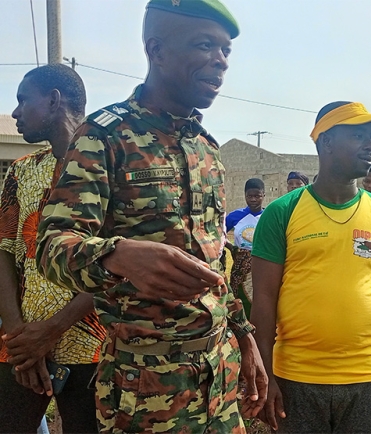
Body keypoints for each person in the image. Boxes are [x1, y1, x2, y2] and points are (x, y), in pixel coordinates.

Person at [35, 2, 267, 432]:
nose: (220, 60)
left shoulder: (207, 150)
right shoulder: (105, 136)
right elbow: (51, 245)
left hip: (220, 373)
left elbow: (214, 262)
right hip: (144, 389)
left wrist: (244, 334)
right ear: (156, 50)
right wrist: (116, 255)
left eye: (226, 50)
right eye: (205, 45)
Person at [250, 101, 371, 433]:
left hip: (368, 379)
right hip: (296, 378)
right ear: (324, 141)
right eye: (358, 135)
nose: (370, 144)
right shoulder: (283, 212)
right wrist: (266, 374)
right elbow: (264, 300)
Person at [0, 64, 102, 433]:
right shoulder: (22, 171)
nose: (15, 113)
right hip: (22, 347)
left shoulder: (108, 167)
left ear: (54, 100)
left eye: (22, 100)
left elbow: (117, 260)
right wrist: (17, 336)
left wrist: (53, 330)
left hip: (93, 344)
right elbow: (5, 251)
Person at [225, 178, 266, 316]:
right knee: (239, 300)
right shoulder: (235, 216)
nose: (253, 199)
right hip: (239, 268)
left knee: (262, 298)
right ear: (245, 196)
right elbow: (218, 233)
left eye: (257, 196)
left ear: (263, 195)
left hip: (262, 267)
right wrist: (232, 248)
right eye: (250, 196)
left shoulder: (269, 216)